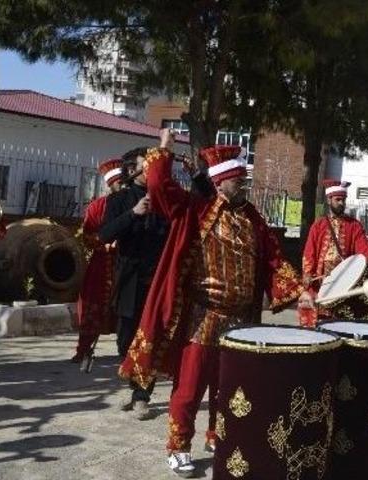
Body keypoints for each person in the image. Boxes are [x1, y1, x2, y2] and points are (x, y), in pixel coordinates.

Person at [117, 131, 310, 477]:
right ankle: (178, 447)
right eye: (238, 179)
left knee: (230, 388)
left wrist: (298, 291)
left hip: (243, 321)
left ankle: (217, 437)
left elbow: (273, 262)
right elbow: (160, 188)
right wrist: (163, 149)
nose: (244, 184)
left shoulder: (254, 219)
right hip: (202, 317)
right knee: (189, 388)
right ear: (221, 182)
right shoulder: (196, 209)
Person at [99, 145, 171, 420]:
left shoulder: (164, 199)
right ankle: (134, 385)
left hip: (156, 282)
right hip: (128, 280)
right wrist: (133, 214)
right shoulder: (119, 200)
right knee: (125, 340)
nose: (152, 170)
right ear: (133, 170)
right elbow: (105, 234)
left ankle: (142, 396)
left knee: (149, 339)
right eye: (147, 165)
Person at [300, 179, 368, 327]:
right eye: (338, 199)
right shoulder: (318, 225)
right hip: (320, 280)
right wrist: (308, 274)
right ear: (329, 200)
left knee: (340, 323)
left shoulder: (354, 226)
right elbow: (309, 253)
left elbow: (365, 249)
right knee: (316, 323)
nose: (342, 203)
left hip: (344, 282)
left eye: (344, 199)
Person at [71, 158, 123, 367]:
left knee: (126, 310)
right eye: (119, 182)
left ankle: (126, 350)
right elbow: (87, 236)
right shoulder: (97, 207)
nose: (122, 185)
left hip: (126, 263)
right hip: (102, 265)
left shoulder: (135, 202)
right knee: (93, 306)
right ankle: (83, 349)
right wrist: (105, 245)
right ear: (111, 184)